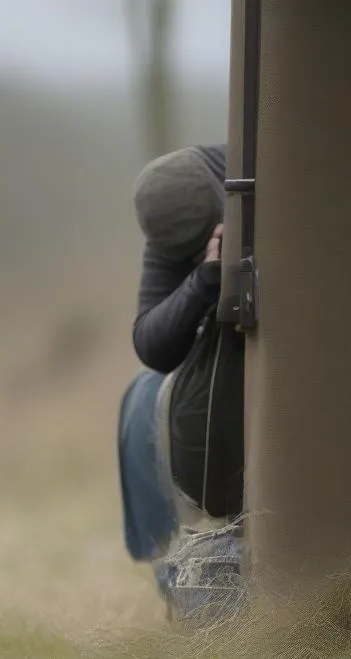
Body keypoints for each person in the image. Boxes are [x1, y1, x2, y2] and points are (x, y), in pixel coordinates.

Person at [117, 143, 245, 605]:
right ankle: (168, 563)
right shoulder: (178, 219)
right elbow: (152, 342)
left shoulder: (265, 181)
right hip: (214, 361)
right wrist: (205, 276)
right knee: (145, 395)